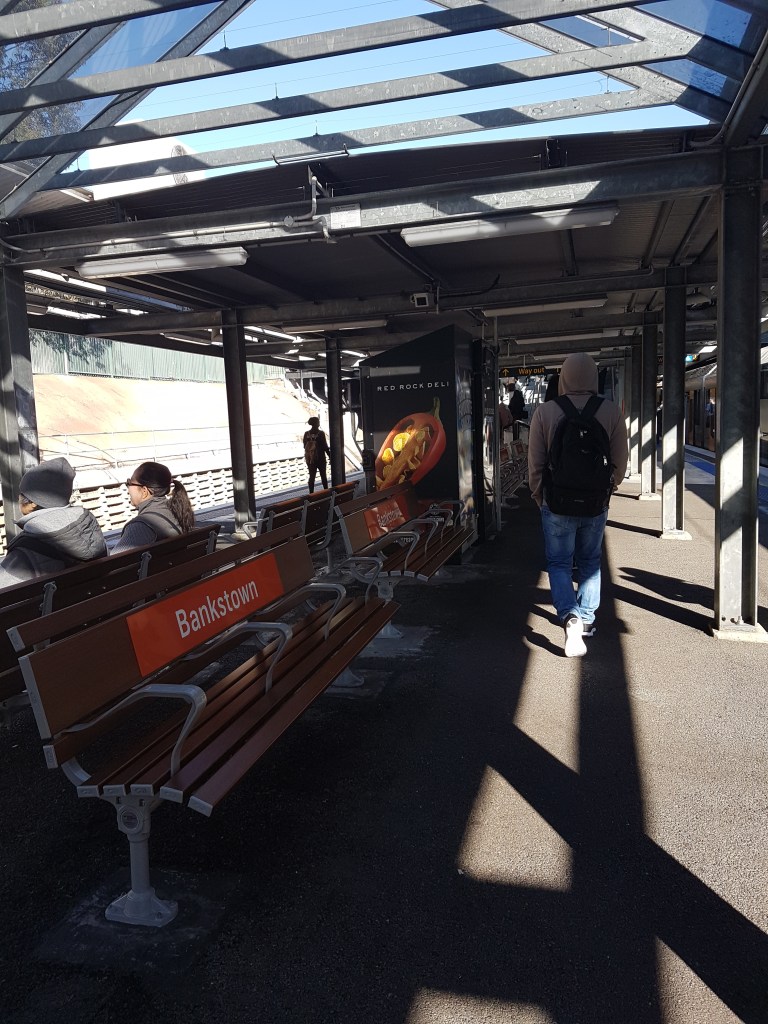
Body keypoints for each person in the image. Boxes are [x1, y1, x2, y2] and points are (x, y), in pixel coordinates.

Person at [527, 353, 628, 658]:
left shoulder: (545, 412)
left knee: (559, 562)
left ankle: (569, 616)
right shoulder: (610, 411)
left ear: (564, 378)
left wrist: (539, 496)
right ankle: (585, 619)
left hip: (557, 501)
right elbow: (620, 461)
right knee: (590, 561)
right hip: (595, 502)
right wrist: (608, 489)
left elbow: (535, 463)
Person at [0, 457, 107, 588]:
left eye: (21, 493)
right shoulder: (89, 527)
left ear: (33, 502)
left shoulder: (26, 550)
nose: (18, 497)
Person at [111, 461, 195, 554]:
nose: (128, 488)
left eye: (129, 482)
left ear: (144, 491)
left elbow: (115, 560)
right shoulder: (178, 510)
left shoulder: (141, 526)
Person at [302, 416, 331, 493]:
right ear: (316, 423)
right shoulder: (321, 433)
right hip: (320, 458)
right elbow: (325, 446)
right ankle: (326, 491)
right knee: (323, 476)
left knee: (312, 477)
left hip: (310, 459)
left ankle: (311, 493)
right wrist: (330, 456)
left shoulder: (306, 434)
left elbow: (304, 446)